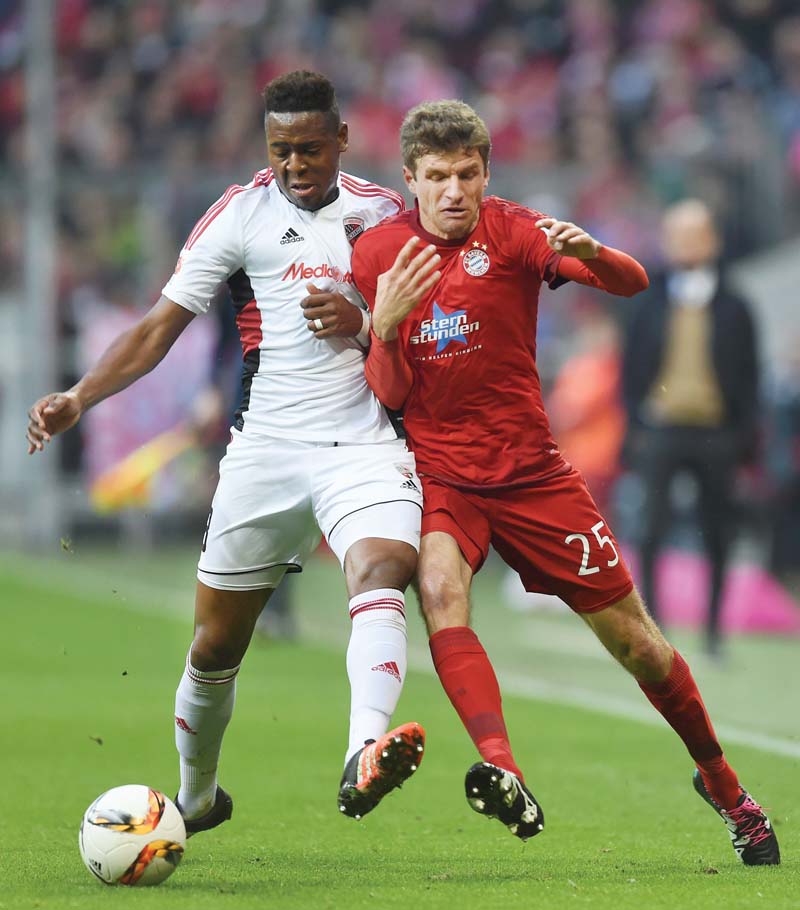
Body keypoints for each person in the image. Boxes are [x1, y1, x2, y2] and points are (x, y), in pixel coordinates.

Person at [350, 100, 779, 865]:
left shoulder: (513, 231)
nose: (454, 190)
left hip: (533, 477)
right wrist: (383, 328)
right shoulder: (379, 254)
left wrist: (597, 251)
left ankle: (725, 786)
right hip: (445, 476)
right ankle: (503, 767)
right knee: (441, 591)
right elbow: (385, 392)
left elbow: (634, 280)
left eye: (468, 174)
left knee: (640, 647)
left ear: (486, 174)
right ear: (410, 178)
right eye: (439, 176)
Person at [26, 71, 426, 832]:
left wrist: (364, 317)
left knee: (381, 571)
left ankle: (363, 753)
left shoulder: (382, 213)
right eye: (282, 151)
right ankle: (198, 798)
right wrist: (79, 395)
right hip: (265, 451)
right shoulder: (238, 217)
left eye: (310, 149)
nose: (296, 166)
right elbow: (156, 329)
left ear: (341, 140)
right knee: (215, 645)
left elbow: (421, 320)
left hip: (363, 444)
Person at [622, 199, 760, 657]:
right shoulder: (648, 299)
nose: (684, 244)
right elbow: (630, 366)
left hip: (716, 432)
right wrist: (636, 423)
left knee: (717, 531)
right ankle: (653, 626)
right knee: (651, 529)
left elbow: (749, 374)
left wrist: (743, 437)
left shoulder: (735, 305)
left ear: (713, 241)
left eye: (694, 234)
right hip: (661, 428)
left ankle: (714, 631)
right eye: (676, 235)